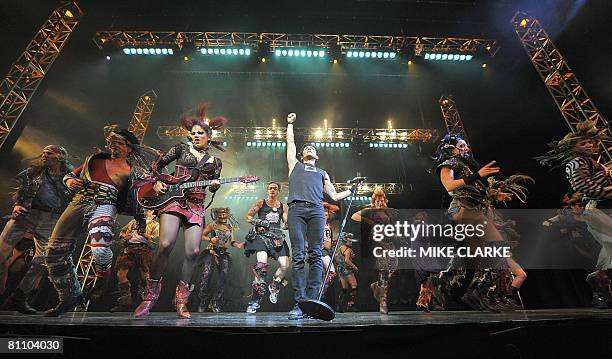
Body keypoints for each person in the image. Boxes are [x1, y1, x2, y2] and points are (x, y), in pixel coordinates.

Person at [44, 127, 155, 316]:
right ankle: (68, 297)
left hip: (106, 205)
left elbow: (142, 198)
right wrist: (69, 181)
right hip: (79, 202)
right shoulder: (95, 160)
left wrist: (144, 217)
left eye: (120, 143)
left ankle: (102, 279)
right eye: (113, 143)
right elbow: (70, 176)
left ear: (129, 148)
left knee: (100, 248)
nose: (115, 146)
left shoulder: (134, 172)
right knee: (54, 251)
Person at [135, 102, 225, 319]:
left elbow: (213, 182)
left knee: (193, 251)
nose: (195, 136)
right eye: (193, 133)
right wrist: (157, 182)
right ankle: (150, 296)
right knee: (165, 244)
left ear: (209, 136)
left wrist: (214, 185)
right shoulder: (180, 149)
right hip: (174, 200)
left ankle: (182, 299)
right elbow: (156, 166)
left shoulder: (216, 161)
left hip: (196, 204)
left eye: (200, 133)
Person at [285, 112, 358, 320]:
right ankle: (300, 303)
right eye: (306, 148)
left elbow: (334, 195)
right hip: (297, 210)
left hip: (317, 211)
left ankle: (313, 300)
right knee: (298, 255)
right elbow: (290, 143)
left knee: (316, 254)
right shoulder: (294, 165)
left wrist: (351, 190)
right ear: (301, 155)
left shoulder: (322, 172)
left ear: (316, 156)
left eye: (312, 148)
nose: (309, 148)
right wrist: (290, 125)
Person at [536, 120, 612, 308]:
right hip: (596, 209)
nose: (590, 145)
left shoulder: (590, 162)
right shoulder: (577, 162)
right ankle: (601, 280)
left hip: (600, 208)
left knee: (609, 249)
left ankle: (601, 284)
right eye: (583, 143)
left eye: (591, 142)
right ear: (573, 147)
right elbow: (582, 186)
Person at [0, 145, 74, 314]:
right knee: (1, 252)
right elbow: (22, 191)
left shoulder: (70, 176)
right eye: (43, 152)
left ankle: (19, 298)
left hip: (51, 219)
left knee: (43, 260)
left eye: (49, 152)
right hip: (26, 214)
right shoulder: (33, 172)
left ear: (61, 156)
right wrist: (18, 204)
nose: (44, 154)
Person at [243, 182, 290, 314]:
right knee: (261, 266)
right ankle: (255, 301)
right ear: (267, 190)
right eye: (270, 188)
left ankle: (274, 285)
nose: (272, 190)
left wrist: (288, 222)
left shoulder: (283, 206)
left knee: (285, 265)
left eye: (275, 188)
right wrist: (258, 222)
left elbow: (286, 220)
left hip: (277, 237)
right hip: (262, 237)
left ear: (279, 191)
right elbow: (248, 216)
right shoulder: (260, 203)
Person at [351, 187, 397, 314]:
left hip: (389, 241)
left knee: (392, 270)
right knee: (383, 270)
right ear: (374, 202)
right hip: (377, 242)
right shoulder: (370, 210)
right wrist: (368, 221)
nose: (379, 203)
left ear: (385, 200)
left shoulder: (388, 212)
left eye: (381, 200)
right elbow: (354, 216)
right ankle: (383, 301)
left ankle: (377, 285)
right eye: (377, 201)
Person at [110, 209, 159, 312]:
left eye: (150, 210)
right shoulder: (133, 222)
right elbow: (122, 232)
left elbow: (156, 240)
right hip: (130, 249)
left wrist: (145, 235)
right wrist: (124, 236)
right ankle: (125, 301)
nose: (147, 211)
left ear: (153, 214)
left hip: (143, 250)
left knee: (145, 277)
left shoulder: (155, 225)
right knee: (120, 274)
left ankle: (144, 302)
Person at [197, 207, 241, 313]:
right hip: (211, 251)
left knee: (223, 276)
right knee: (206, 275)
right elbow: (201, 235)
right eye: (220, 214)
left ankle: (215, 301)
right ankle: (203, 300)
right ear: (216, 215)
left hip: (223, 253)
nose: (222, 216)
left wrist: (238, 244)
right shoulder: (212, 225)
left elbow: (232, 241)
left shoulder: (230, 227)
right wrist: (210, 239)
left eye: (224, 214)